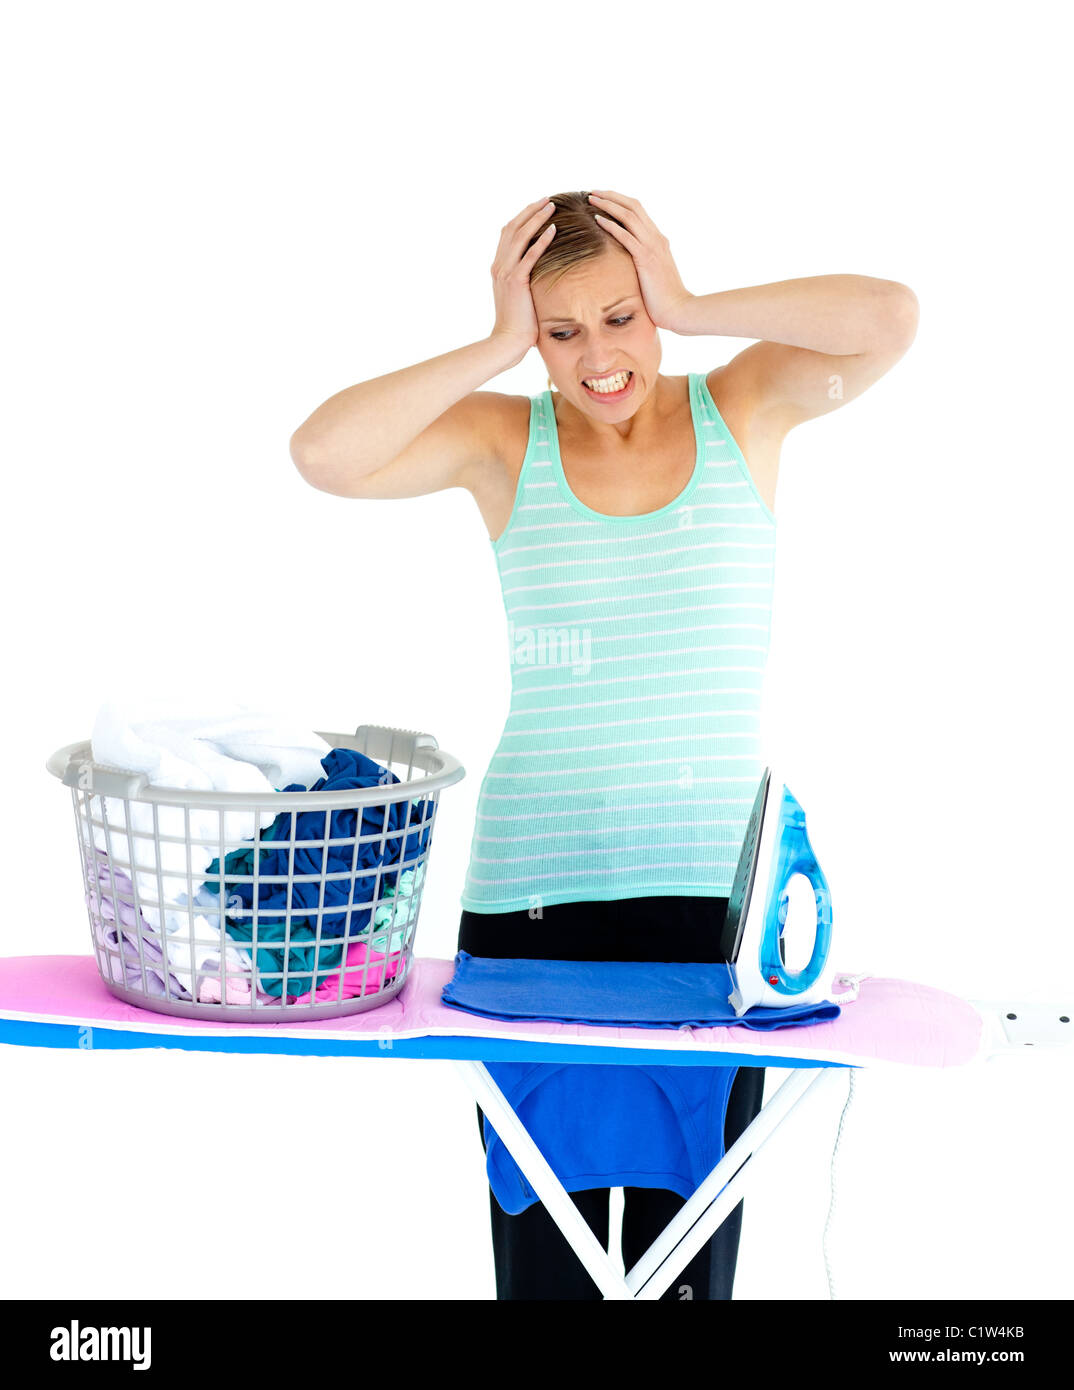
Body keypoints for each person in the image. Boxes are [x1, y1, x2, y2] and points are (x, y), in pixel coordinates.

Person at [289, 189, 919, 1299]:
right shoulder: (503, 439)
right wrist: (491, 344)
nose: (597, 357)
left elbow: (890, 316)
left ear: (653, 304)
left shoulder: (746, 407)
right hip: (536, 905)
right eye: (560, 331)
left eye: (622, 317)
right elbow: (325, 455)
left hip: (712, 910)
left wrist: (693, 300)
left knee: (688, 1278)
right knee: (547, 1271)